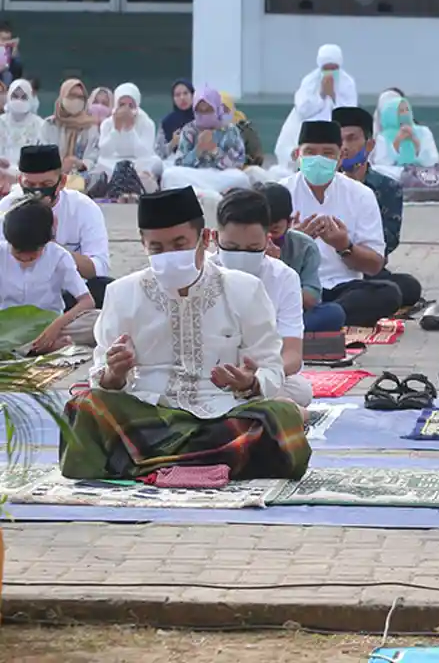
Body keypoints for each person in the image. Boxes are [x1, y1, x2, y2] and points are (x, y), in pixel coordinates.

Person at [61, 186, 310, 481]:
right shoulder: (122, 293)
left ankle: (146, 464)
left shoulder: (245, 289)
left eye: (179, 244)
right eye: (157, 248)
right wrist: (114, 375)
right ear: (143, 245)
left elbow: (271, 369)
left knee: (279, 417)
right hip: (150, 413)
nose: (169, 255)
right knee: (85, 406)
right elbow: (102, 375)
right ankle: (208, 463)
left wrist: (251, 383)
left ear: (205, 239)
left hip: (223, 413)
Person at [283, 120, 403, 327]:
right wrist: (293, 243)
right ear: (297, 156)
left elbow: (375, 265)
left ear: (340, 158)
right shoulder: (279, 193)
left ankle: (317, 318)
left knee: (390, 293)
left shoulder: (361, 195)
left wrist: (344, 246)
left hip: (343, 288)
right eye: (310, 152)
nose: (318, 159)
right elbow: (262, 257)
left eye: (328, 153)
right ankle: (323, 318)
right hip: (295, 288)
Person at [213, 189, 313, 407]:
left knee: (301, 390)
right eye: (231, 248)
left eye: (252, 249)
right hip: (210, 376)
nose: (241, 256)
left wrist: (257, 377)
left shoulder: (284, 277)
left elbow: (292, 355)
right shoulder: (201, 273)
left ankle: (247, 402)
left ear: (267, 241)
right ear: (214, 237)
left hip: (262, 374)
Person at [0, 144, 112, 310]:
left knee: (106, 289)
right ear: (20, 182)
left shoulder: (83, 208)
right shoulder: (7, 207)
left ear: (62, 181)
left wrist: (51, 249)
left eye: (46, 184)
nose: (37, 192)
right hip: (20, 296)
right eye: (30, 184)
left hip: (68, 294)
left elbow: (99, 268)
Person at [332, 106, 423, 307]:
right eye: (339, 141)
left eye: (352, 138)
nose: (344, 147)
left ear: (369, 145)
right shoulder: (322, 184)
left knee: (406, 288)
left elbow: (388, 240)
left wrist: (345, 244)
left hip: (367, 269)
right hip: (325, 270)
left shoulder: (388, 187)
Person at [0, 196, 95, 353]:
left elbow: (87, 301)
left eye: (33, 253)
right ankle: (39, 348)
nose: (25, 259)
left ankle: (34, 347)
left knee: (97, 321)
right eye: (18, 252)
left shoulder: (59, 256)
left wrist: (54, 328)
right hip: (8, 329)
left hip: (49, 326)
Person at [255, 182, 346, 333]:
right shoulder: (244, 242)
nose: (269, 237)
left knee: (333, 313)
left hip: (291, 316)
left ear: (289, 223)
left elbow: (311, 299)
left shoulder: (305, 246)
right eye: (264, 228)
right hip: (251, 315)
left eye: (275, 229)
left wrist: (277, 270)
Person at [274, 43, 358, 176]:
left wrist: (334, 97)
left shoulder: (347, 82)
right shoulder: (310, 82)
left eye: (333, 68)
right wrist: (322, 95)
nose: (330, 72)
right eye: (326, 68)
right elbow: (302, 109)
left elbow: (349, 113)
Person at [162, 87, 251, 194]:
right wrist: (198, 150)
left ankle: (198, 192)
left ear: (217, 109)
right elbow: (179, 163)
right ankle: (209, 193)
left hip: (220, 176)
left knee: (241, 178)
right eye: (199, 111)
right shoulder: (189, 130)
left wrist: (214, 150)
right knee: (169, 174)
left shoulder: (230, 130)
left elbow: (238, 163)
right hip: (195, 174)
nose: (204, 115)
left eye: (208, 110)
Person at [96, 83, 162, 199]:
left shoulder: (147, 123)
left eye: (130, 105)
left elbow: (145, 153)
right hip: (113, 161)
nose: (126, 109)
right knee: (101, 163)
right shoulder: (107, 123)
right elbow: (104, 152)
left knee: (155, 162)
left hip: (138, 162)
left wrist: (130, 129)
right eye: (122, 105)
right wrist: (116, 130)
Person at [44, 79, 102, 192]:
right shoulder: (49, 125)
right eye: (72, 96)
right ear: (62, 97)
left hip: (80, 175)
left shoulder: (90, 127)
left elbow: (93, 156)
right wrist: (60, 165)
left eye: (80, 97)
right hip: (52, 173)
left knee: (96, 177)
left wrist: (79, 163)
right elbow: (43, 151)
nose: (76, 100)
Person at [370, 95, 439, 183]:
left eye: (407, 110)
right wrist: (396, 143)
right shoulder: (383, 137)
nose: (405, 114)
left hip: (421, 173)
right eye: (401, 111)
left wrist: (416, 142)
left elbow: (432, 161)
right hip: (397, 174)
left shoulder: (423, 132)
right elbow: (382, 163)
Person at [0, 79, 49, 192]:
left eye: (23, 97)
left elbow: (43, 154)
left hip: (30, 175)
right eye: (15, 96)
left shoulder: (40, 124)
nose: (19, 101)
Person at [223, 91, 266, 174]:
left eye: (225, 110)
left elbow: (257, 156)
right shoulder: (207, 128)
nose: (221, 113)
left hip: (243, 170)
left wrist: (242, 161)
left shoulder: (245, 128)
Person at [158, 79, 194, 159]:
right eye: (177, 95)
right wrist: (172, 143)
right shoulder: (166, 122)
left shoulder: (203, 118)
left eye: (185, 93)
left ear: (192, 95)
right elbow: (158, 154)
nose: (182, 98)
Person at [0, 22, 24, 87]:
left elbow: (16, 66)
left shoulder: (10, 48)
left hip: (6, 78)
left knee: (8, 74)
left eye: (8, 39)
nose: (6, 42)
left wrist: (14, 47)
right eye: (4, 39)